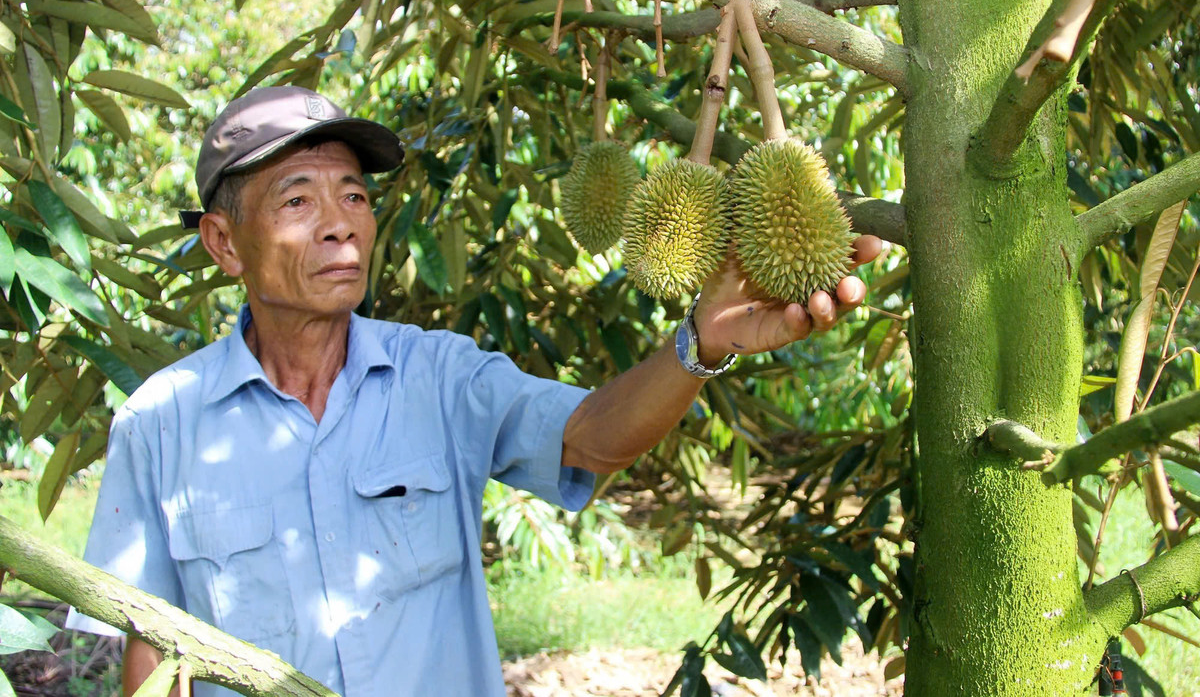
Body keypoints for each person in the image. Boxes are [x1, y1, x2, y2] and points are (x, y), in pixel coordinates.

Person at [68, 86, 881, 696]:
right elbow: (153, 648)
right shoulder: (162, 426)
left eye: (353, 193)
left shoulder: (440, 377)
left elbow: (590, 436)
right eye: (297, 199)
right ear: (224, 242)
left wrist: (700, 344)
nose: (341, 221)